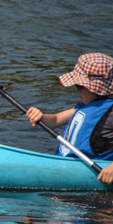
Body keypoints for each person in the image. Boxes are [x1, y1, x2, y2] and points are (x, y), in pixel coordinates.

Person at [26, 53, 113, 185]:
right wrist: (41, 117)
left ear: (98, 89)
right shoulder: (84, 106)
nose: (77, 90)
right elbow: (55, 120)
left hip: (98, 175)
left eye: (80, 86)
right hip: (66, 166)